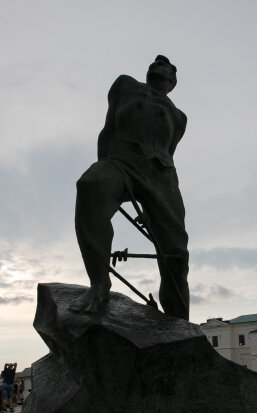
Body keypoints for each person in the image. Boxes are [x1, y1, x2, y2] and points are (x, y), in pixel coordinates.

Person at [70, 55, 190, 320]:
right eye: (155, 63)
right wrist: (104, 167)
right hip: (120, 160)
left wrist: (152, 206)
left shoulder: (179, 117)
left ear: (172, 81)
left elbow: (169, 151)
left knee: (176, 255)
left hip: (161, 176)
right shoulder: (124, 85)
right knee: (91, 184)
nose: (158, 63)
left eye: (165, 66)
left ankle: (180, 320)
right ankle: (99, 284)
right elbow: (108, 128)